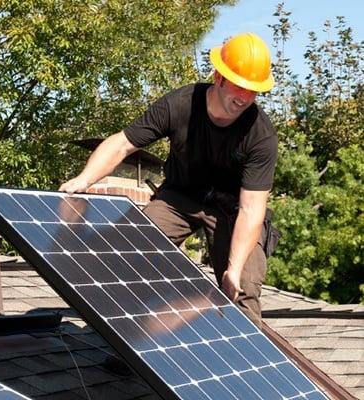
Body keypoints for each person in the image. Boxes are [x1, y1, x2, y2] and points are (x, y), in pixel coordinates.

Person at [59, 32, 277, 326]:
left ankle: (245, 360)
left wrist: (234, 269)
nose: (243, 98)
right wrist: (83, 180)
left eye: (252, 91)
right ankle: (127, 343)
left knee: (243, 288)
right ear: (219, 77)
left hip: (232, 210)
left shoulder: (260, 134)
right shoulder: (181, 105)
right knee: (132, 249)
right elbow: (122, 144)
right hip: (179, 198)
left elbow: (252, 209)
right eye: (238, 86)